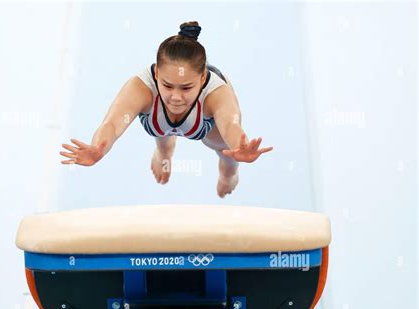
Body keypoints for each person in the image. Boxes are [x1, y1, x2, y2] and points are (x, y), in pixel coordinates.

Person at [60, 21, 273, 198]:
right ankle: (164, 150)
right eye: (167, 85)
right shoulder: (140, 89)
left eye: (187, 88)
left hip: (205, 120)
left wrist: (238, 146)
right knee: (159, 125)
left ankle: (227, 173)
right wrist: (99, 148)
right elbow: (113, 125)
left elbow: (230, 126)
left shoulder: (216, 94)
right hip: (160, 119)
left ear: (202, 78)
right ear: (155, 76)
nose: (176, 97)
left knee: (226, 151)